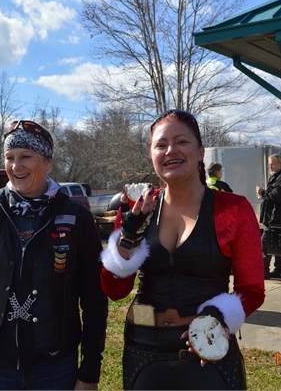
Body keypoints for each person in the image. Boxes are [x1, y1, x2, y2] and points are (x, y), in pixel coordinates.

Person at [99, 110, 265, 390]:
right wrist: (128, 236)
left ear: (200, 152)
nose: (170, 151)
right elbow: (115, 290)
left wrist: (217, 315)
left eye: (181, 142)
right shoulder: (137, 208)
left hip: (207, 346)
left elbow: (251, 290)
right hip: (143, 348)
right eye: (160, 145)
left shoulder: (233, 209)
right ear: (151, 155)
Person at [0, 120, 108, 390]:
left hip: (55, 367)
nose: (16, 167)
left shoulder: (77, 218)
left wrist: (89, 371)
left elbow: (94, 299)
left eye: (26, 157)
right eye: (10, 157)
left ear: (48, 162)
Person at [256, 153, 281, 279]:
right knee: (278, 246)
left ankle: (263, 272)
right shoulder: (275, 177)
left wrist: (263, 192)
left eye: (272, 164)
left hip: (277, 219)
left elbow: (277, 195)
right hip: (272, 218)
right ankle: (277, 271)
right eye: (269, 165)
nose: (271, 167)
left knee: (264, 245)